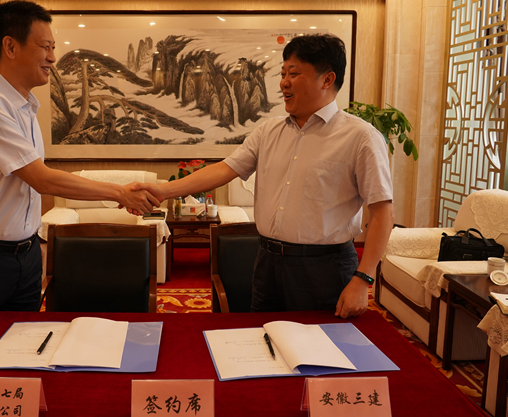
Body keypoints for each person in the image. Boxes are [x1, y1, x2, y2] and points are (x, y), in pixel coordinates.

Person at [0, 0, 159, 352]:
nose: (53, 58)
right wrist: (119, 192)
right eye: (45, 47)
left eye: (53, 48)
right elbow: (42, 179)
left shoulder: (25, 106)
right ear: (10, 46)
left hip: (23, 256)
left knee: (21, 352)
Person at [137, 34, 394, 318]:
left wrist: (363, 278)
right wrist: (163, 191)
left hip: (324, 268)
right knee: (262, 336)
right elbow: (224, 169)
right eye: (283, 74)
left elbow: (382, 212)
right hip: (267, 262)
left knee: (320, 342)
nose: (284, 82)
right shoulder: (268, 131)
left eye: (293, 74)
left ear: (327, 79)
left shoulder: (360, 137)